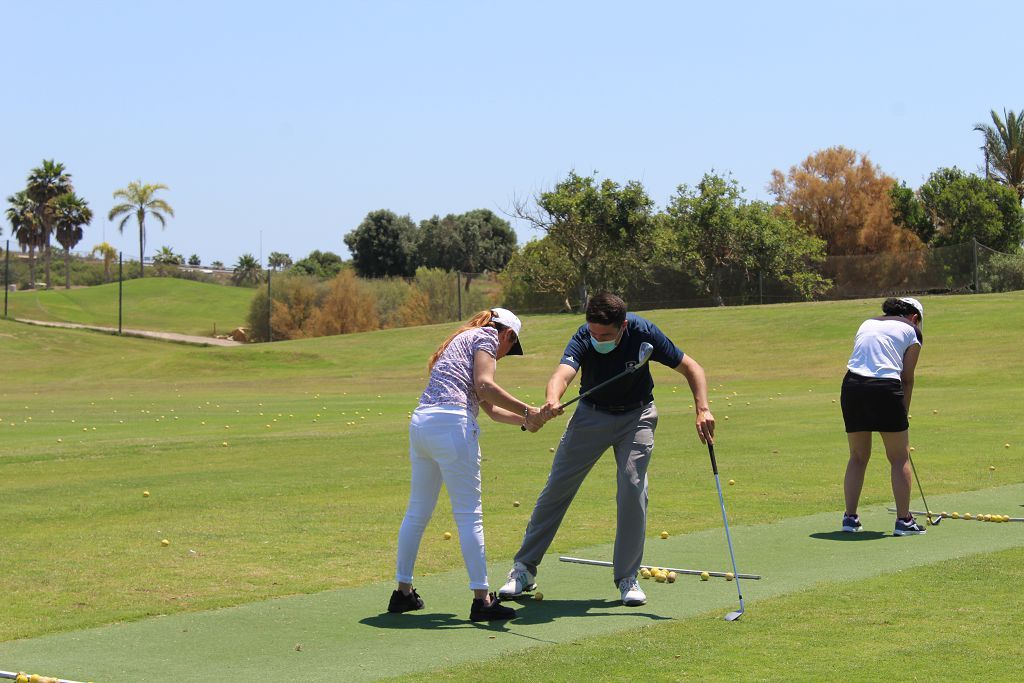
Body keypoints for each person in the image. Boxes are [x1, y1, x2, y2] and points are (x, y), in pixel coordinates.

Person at [498, 292, 715, 606]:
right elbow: (562, 373)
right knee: (557, 487)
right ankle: (524, 569)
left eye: (605, 335)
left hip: (637, 416)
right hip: (591, 415)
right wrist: (553, 398)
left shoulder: (644, 333)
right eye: (593, 333)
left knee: (632, 487)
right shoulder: (585, 336)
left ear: (623, 325)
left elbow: (692, 368)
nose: (597, 338)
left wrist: (702, 408)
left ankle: (627, 578)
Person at [388, 308, 544, 622]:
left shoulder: (460, 341)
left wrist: (529, 421)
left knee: (417, 512)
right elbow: (486, 386)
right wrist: (529, 409)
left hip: (422, 425)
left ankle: (402, 592)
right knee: (469, 515)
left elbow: (492, 410)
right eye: (510, 347)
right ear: (507, 334)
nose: (505, 353)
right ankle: (482, 600)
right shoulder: (487, 335)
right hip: (452, 426)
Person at [839, 297, 925, 536]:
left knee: (857, 456)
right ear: (915, 317)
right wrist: (903, 412)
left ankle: (850, 518)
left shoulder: (867, 322)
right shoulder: (912, 331)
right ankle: (904, 521)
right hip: (886, 388)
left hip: (852, 386)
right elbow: (907, 378)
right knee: (899, 458)